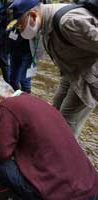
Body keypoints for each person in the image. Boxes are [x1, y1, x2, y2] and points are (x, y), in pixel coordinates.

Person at [0, 79, 98, 200]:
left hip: (60, 195)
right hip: (90, 188)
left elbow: (1, 153)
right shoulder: (39, 102)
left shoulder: (7, 105)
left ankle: (2, 198)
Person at [8, 0, 98, 137]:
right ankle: (49, 144)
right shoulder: (44, 20)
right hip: (71, 71)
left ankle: (65, 155)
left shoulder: (68, 23)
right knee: (54, 112)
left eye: (20, 25)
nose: (20, 30)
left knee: (67, 122)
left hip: (88, 76)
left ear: (32, 15)